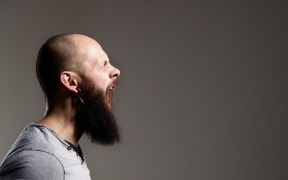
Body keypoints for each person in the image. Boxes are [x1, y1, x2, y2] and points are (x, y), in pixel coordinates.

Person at [0, 33, 121, 179]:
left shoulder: (61, 152)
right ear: (70, 82)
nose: (116, 71)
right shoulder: (42, 162)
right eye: (103, 65)